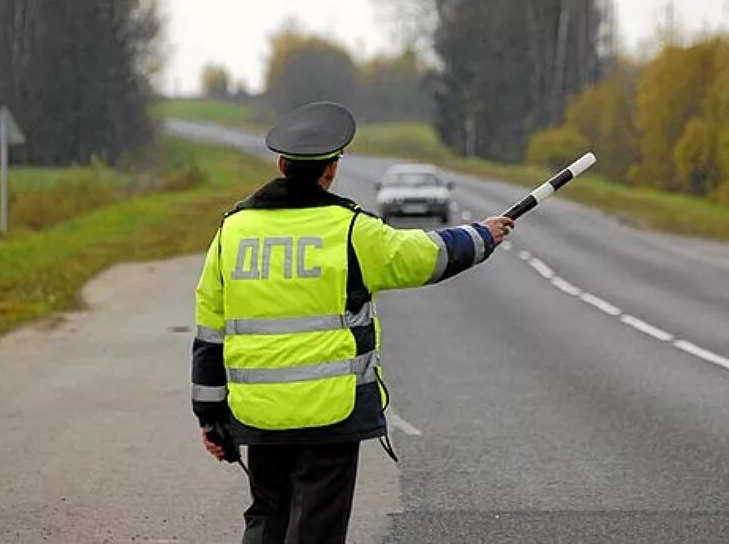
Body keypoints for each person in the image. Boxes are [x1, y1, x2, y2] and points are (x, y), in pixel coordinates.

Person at [191, 101, 514, 543]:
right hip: (331, 411)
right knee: (316, 525)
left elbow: (209, 333)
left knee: (268, 515)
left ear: (282, 164)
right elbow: (424, 256)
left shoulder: (233, 231)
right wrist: (481, 235)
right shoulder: (350, 230)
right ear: (332, 170)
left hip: (259, 412)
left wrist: (211, 419)